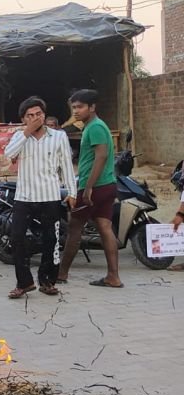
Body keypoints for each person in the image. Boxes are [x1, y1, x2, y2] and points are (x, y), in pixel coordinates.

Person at [3, 97, 77, 299]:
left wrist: (72, 192)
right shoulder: (19, 136)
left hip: (50, 196)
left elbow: (66, 166)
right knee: (16, 238)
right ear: (23, 119)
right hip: (24, 197)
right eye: (30, 116)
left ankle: (47, 281)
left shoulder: (58, 136)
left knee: (51, 240)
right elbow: (8, 153)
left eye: (39, 114)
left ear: (44, 115)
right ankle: (24, 283)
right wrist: (26, 132)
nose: (36, 118)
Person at [58, 89, 123, 288]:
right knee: (104, 228)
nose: (76, 111)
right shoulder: (94, 126)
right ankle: (113, 276)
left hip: (94, 187)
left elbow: (101, 156)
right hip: (106, 185)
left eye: (80, 107)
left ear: (92, 107)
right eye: (74, 107)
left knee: (74, 227)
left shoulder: (95, 127)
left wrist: (87, 188)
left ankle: (61, 274)